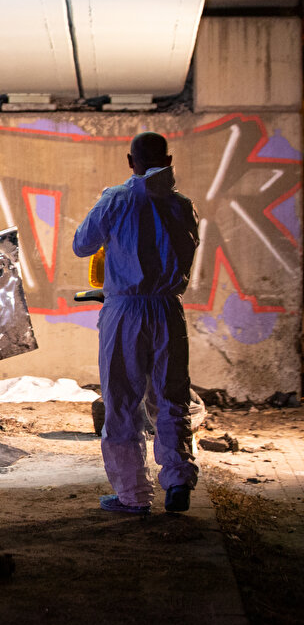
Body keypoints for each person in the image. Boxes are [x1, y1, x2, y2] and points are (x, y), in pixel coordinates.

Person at [72, 132, 200, 514]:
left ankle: (132, 495)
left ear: (132, 161)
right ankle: (178, 480)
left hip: (125, 311)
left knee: (123, 400)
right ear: (169, 158)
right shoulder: (184, 206)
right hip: (168, 310)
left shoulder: (116, 199)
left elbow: (82, 244)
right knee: (171, 398)